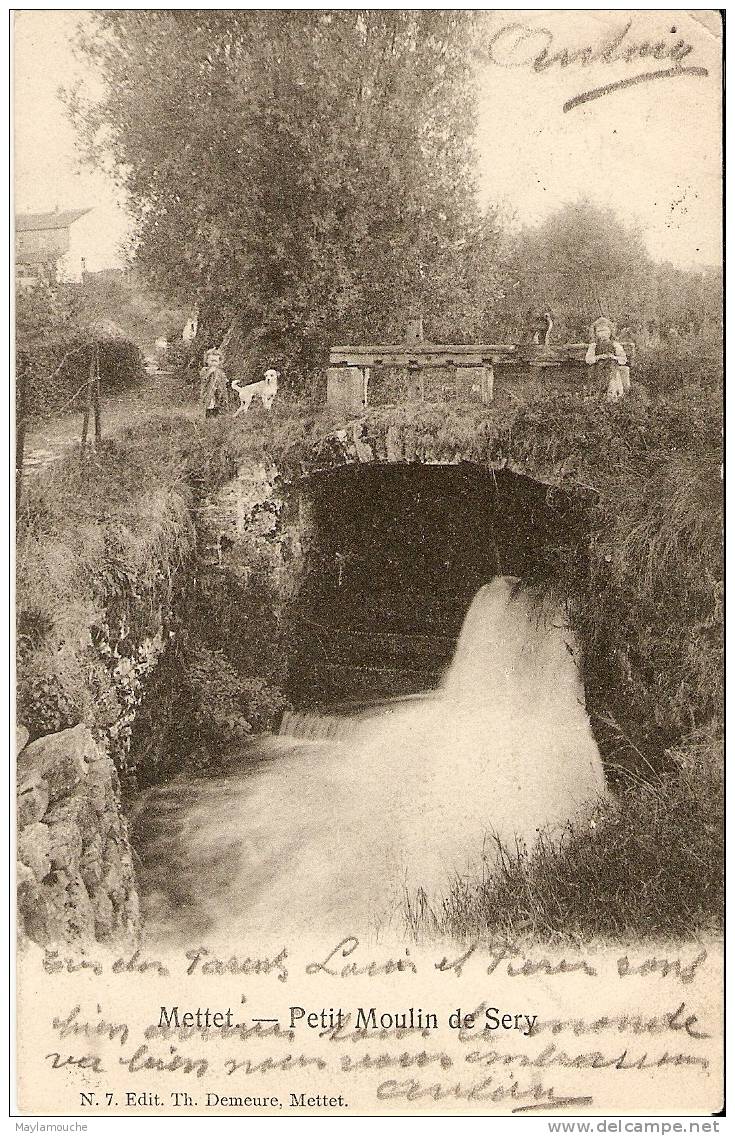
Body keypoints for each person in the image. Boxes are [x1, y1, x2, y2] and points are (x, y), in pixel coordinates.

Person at [585, 317, 629, 401]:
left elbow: (623, 359)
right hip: (597, 369)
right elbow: (588, 359)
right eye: (599, 331)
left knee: (612, 379)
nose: (602, 334)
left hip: (612, 369)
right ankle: (596, 396)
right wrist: (599, 357)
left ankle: (612, 396)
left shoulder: (615, 345)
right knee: (595, 377)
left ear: (610, 331)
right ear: (595, 333)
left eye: (605, 330)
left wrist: (614, 357)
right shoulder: (594, 346)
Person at [199, 348, 229, 418]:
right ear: (207, 361)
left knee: (218, 404)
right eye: (211, 361)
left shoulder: (219, 371)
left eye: (215, 361)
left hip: (218, 391)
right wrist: (209, 372)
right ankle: (208, 418)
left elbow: (224, 380)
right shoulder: (205, 370)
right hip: (209, 392)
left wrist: (224, 382)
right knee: (209, 405)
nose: (213, 363)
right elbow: (203, 379)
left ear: (219, 362)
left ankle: (218, 417)